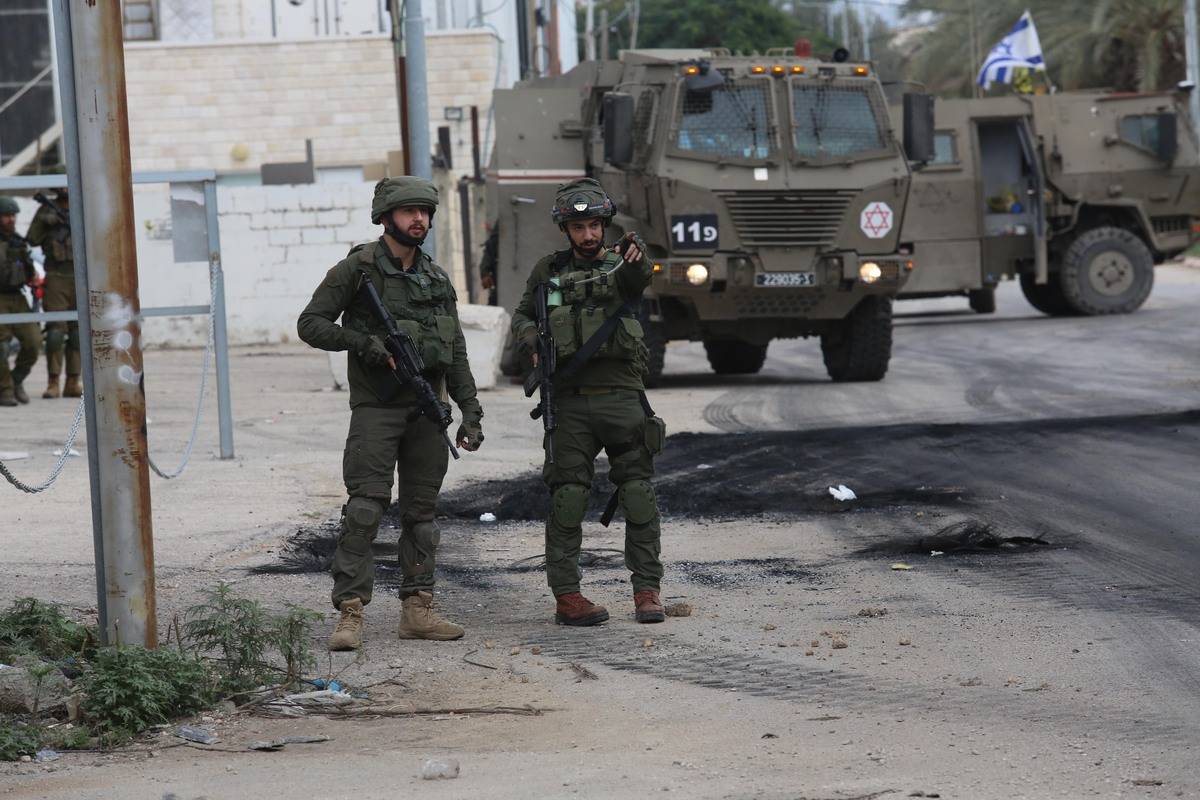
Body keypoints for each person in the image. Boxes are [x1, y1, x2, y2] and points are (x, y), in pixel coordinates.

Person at [298, 177, 485, 651]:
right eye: (408, 212)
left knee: (422, 516)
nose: (418, 219)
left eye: (425, 211)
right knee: (364, 510)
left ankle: (417, 609)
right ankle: (350, 612)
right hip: (377, 409)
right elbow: (311, 324)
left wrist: (470, 411)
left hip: (428, 409)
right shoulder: (357, 270)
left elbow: (456, 349)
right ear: (385, 216)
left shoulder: (436, 278)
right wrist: (361, 342)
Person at [510, 178, 667, 626]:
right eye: (578, 226)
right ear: (566, 229)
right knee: (568, 498)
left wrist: (639, 254)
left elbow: (641, 276)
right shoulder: (548, 271)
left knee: (638, 494)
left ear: (605, 225)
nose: (588, 235)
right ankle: (568, 596)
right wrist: (531, 340)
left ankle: (646, 591)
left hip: (622, 398)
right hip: (571, 404)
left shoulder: (622, 265)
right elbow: (523, 312)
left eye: (594, 225)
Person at [25, 188, 79, 399]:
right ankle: (53, 382)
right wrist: (46, 221)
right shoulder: (45, 210)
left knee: (77, 333)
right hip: (56, 275)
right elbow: (32, 239)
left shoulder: (81, 206)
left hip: (80, 276)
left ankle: (73, 381)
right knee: (56, 331)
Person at [0, 197, 40, 407]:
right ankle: (5, 390)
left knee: (34, 343)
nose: (11, 219)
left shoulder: (18, 241)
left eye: (13, 215)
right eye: (6, 216)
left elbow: (29, 270)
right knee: (1, 348)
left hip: (18, 297)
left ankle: (16, 381)